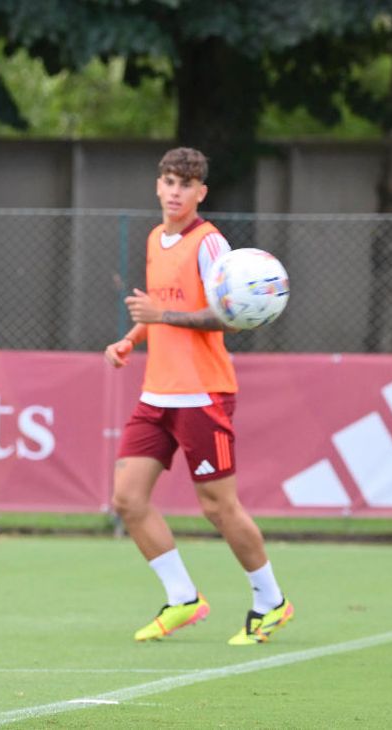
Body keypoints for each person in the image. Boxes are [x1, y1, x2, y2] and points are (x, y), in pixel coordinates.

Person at [103, 147, 293, 646]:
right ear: (157, 185)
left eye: (185, 184)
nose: (175, 192)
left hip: (203, 393)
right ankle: (182, 597)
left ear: (200, 193)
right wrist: (131, 338)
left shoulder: (210, 244)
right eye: (168, 181)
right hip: (157, 393)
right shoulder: (155, 238)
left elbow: (227, 317)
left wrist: (160, 317)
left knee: (218, 507)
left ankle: (271, 601)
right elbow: (160, 308)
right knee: (127, 499)